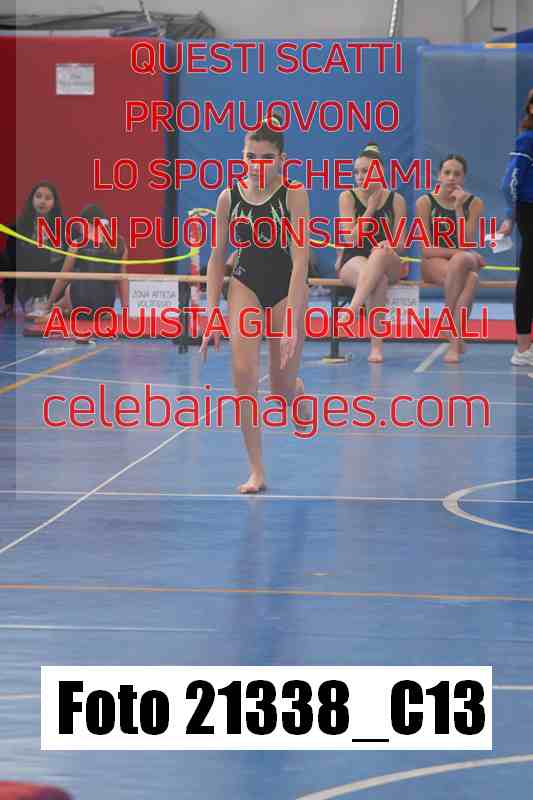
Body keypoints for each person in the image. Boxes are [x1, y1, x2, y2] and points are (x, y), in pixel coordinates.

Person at [200, 116, 311, 494]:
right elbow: (217, 258)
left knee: (279, 389)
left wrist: (292, 319)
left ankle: (294, 391)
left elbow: (300, 259)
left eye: (266, 158)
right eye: (251, 156)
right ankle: (257, 471)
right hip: (245, 282)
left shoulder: (294, 194)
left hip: (286, 289)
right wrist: (211, 312)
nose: (258, 165)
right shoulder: (228, 198)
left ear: (281, 160)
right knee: (243, 374)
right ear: (242, 156)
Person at [336, 143, 408, 362]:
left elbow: (402, 244)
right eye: (356, 172)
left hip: (388, 259)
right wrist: (370, 209)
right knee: (379, 280)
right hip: (354, 258)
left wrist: (389, 244)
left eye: (365, 171)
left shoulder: (396, 200)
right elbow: (350, 239)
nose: (359, 176)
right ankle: (376, 348)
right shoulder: (347, 197)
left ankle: (353, 308)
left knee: (379, 253)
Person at [416, 154, 485, 363]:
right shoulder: (425, 202)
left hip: (463, 260)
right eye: (447, 172)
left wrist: (458, 208)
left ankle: (450, 329)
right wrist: (461, 253)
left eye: (457, 174)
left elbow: (466, 243)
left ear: (464, 178)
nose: (451, 178)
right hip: (434, 264)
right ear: (439, 175)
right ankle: (456, 338)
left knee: (461, 262)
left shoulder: (474, 203)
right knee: (471, 278)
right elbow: (426, 250)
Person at [499, 88, 533, 366]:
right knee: (529, 275)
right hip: (530, 210)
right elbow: (509, 181)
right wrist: (511, 214)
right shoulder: (527, 140)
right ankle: (522, 348)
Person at [44, 204, 128, 317]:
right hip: (105, 306)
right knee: (88, 285)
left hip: (80, 302)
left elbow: (63, 278)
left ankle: (53, 309)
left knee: (70, 285)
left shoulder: (77, 244)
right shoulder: (120, 244)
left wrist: (48, 303)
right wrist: (125, 309)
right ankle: (59, 309)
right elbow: (122, 279)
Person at [5, 182, 66, 317]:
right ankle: (38, 300)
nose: (42, 201)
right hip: (29, 286)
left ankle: (59, 303)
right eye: (38, 196)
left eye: (48, 198)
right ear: (32, 200)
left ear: (54, 203)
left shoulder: (64, 226)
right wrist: (8, 303)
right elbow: (11, 264)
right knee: (37, 250)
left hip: (55, 284)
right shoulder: (18, 228)